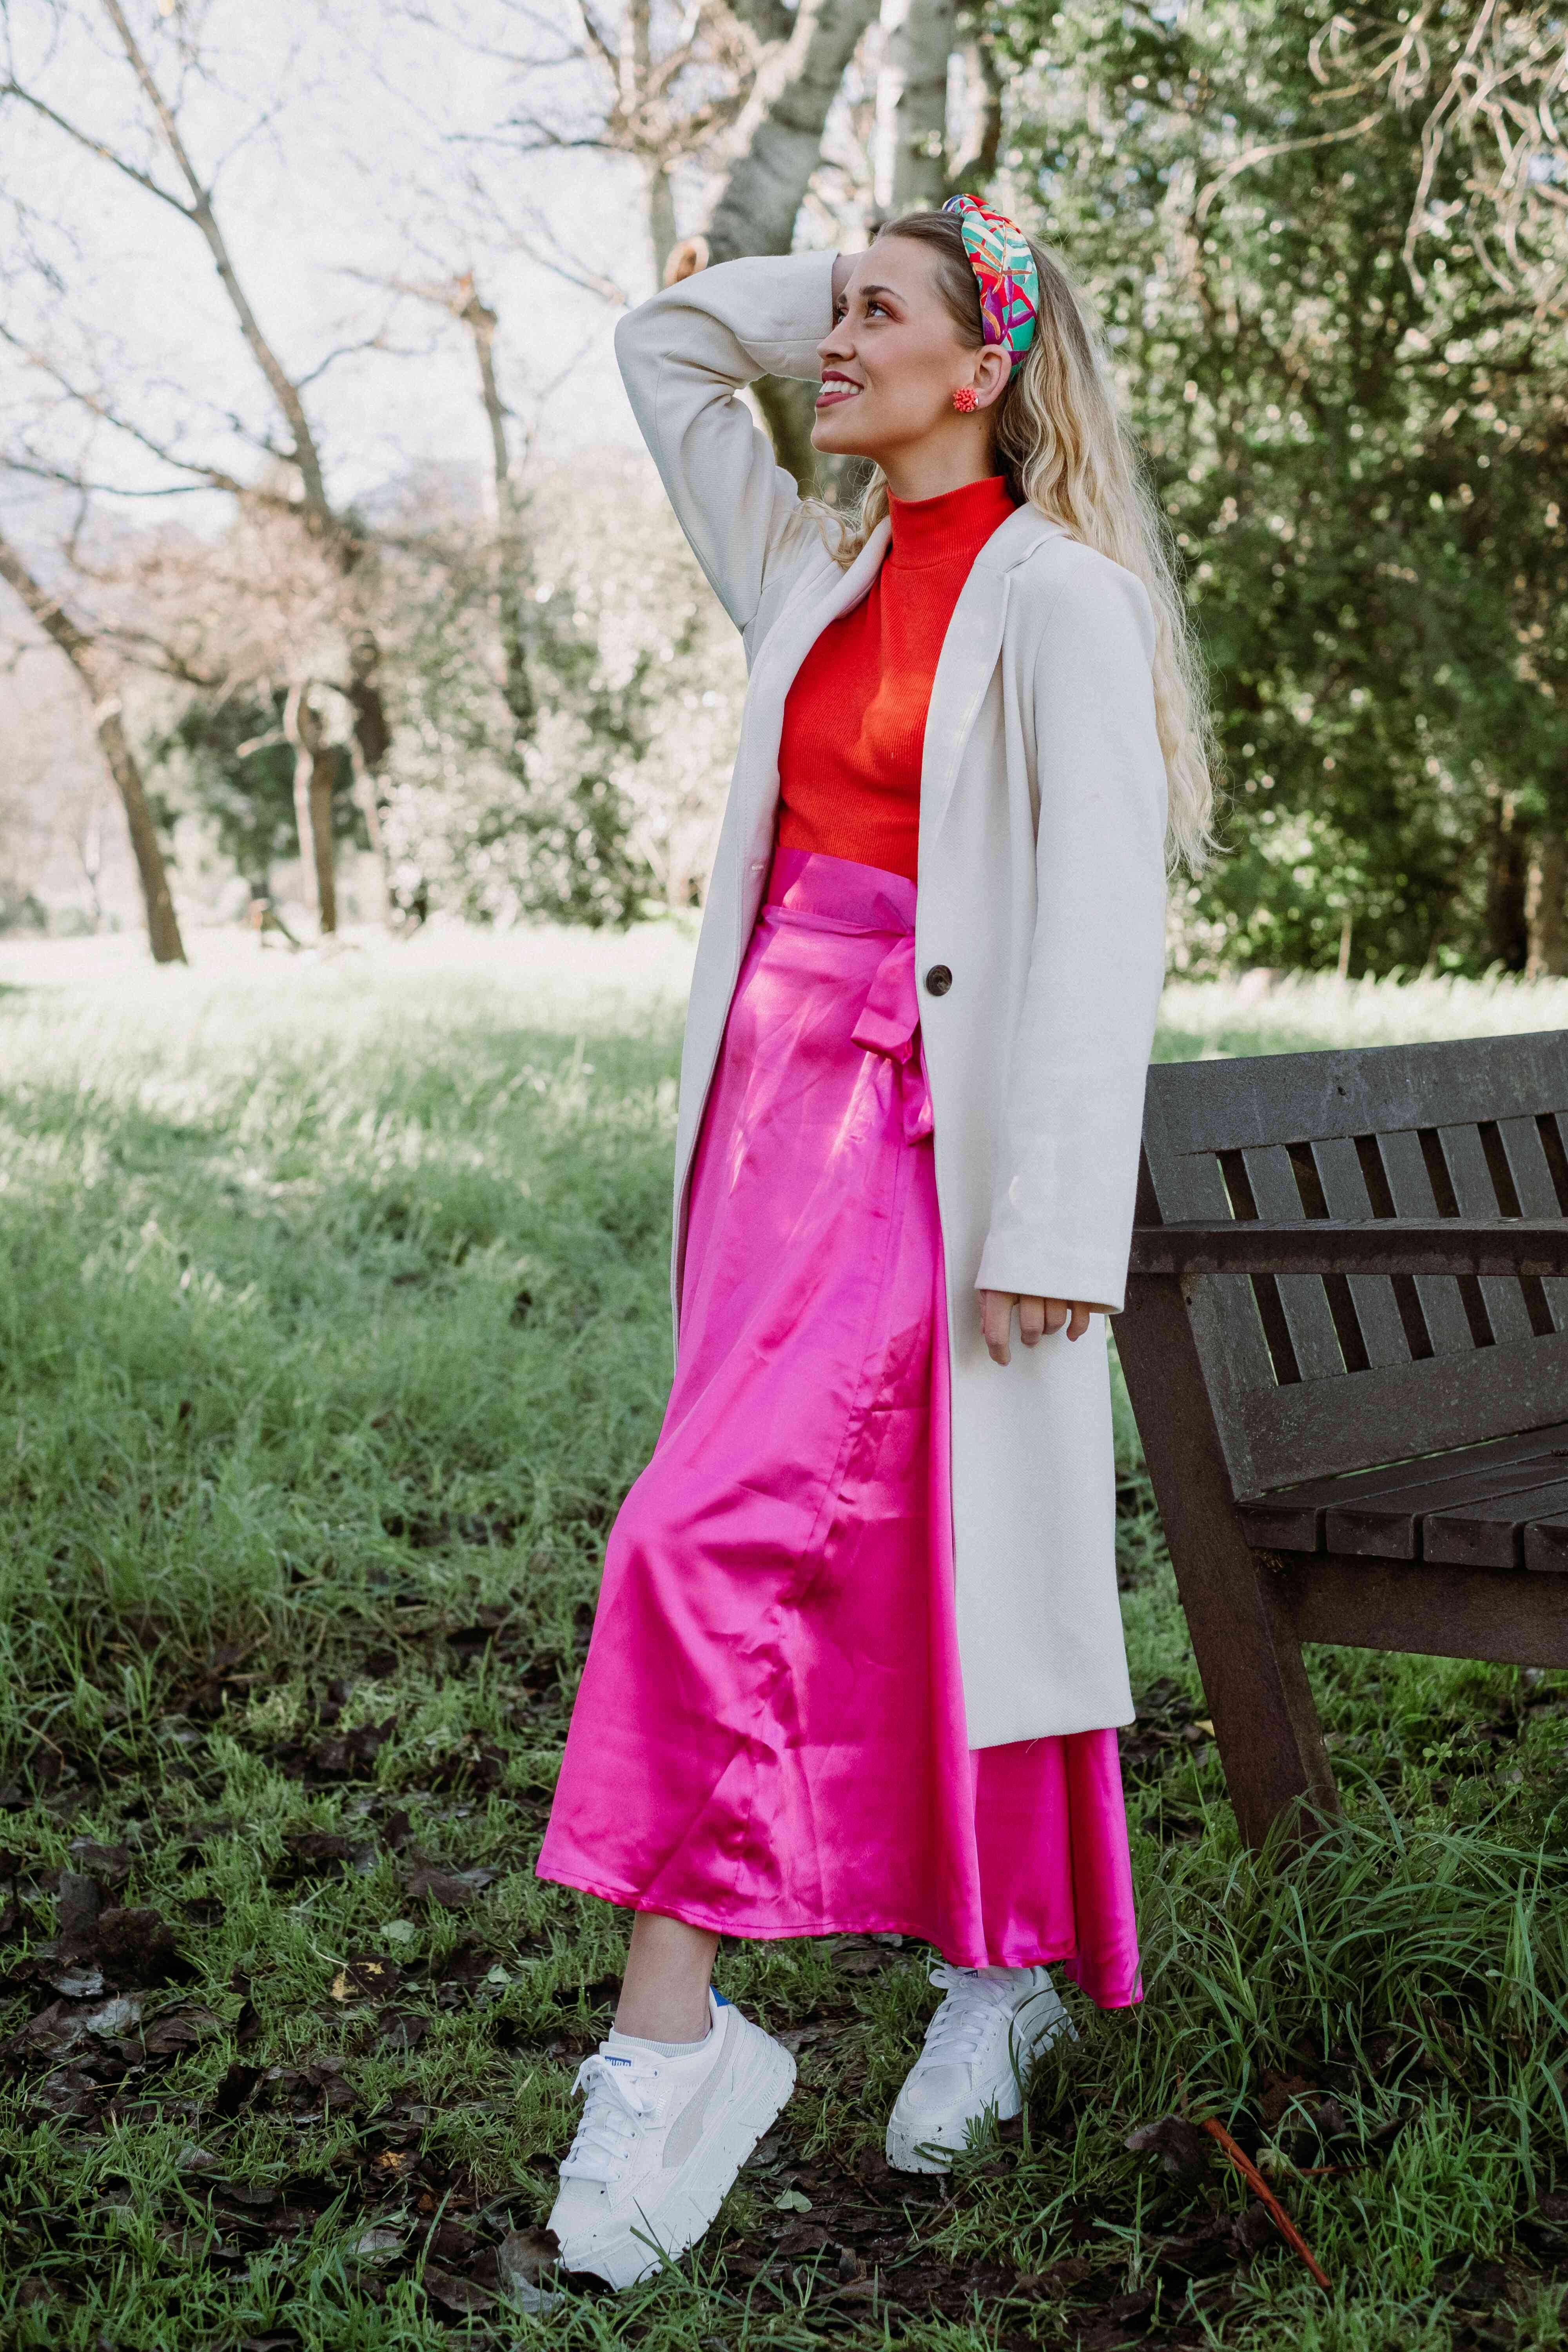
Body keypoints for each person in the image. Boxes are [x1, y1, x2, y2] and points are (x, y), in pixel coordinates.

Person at [534, 196, 1215, 2289]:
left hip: (936, 1129)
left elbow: (1104, 921)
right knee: (915, 1547)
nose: (829, 345)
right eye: (826, 316)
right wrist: (864, 272)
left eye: (878, 319)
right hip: (773, 1121)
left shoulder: (1065, 599)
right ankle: (1002, 1965)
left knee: (709, 1536)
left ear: (986, 366)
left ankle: (678, 2041)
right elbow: (665, 347)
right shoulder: (808, 563)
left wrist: (1056, 1214)